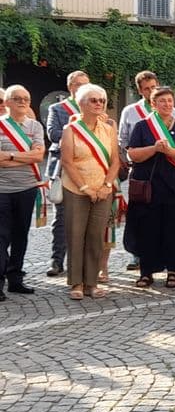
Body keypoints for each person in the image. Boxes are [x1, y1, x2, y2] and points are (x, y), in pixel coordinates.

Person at [124, 86, 175, 289]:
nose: (167, 104)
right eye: (162, 101)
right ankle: (146, 272)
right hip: (148, 188)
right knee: (148, 230)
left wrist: (169, 150)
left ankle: (174, 271)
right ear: (153, 104)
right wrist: (154, 149)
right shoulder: (142, 126)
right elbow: (133, 155)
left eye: (170, 101)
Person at [59, 84, 121, 300]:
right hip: (76, 189)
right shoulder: (71, 130)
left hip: (103, 191)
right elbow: (67, 162)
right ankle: (76, 283)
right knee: (76, 235)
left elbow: (115, 161)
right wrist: (85, 187)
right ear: (81, 104)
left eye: (101, 100)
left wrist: (106, 186)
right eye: (93, 100)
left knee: (96, 236)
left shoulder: (109, 129)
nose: (98, 104)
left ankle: (92, 283)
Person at [118, 70, 175, 271]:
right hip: (142, 170)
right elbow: (123, 141)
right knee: (139, 214)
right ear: (140, 91)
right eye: (146, 89)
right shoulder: (130, 112)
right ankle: (136, 255)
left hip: (167, 170)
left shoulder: (172, 111)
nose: (151, 91)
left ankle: (160, 255)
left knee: (163, 216)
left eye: (153, 87)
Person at [0, 85, 46, 300]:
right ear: (6, 102)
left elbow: (38, 157)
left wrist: (8, 157)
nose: (22, 102)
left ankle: (15, 279)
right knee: (1, 237)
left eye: (26, 98)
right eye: (16, 98)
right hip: (2, 190)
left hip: (27, 188)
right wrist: (24, 156)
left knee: (21, 235)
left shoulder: (35, 126)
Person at [44, 70, 90, 277]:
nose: (84, 88)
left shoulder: (93, 108)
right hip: (62, 168)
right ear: (71, 87)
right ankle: (56, 260)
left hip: (88, 169)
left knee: (86, 218)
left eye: (87, 84)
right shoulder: (58, 108)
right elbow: (53, 134)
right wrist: (78, 135)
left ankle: (82, 263)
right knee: (61, 218)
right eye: (80, 85)